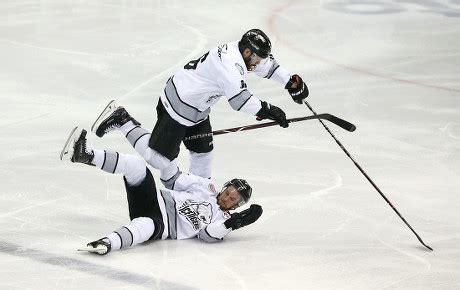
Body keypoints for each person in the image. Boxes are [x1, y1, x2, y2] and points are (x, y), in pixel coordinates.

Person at [92, 28, 309, 181]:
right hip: (178, 106)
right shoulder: (230, 66)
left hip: (198, 109)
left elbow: (269, 67)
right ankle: (123, 120)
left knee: (203, 156)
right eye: (257, 58)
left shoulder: (242, 52)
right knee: (158, 160)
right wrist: (269, 110)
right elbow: (240, 101)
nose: (260, 63)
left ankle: (196, 197)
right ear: (247, 52)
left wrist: (290, 82)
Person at [60, 126, 263, 255]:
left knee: (145, 228)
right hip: (154, 199)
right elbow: (173, 179)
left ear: (237, 205)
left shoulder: (223, 220)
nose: (227, 197)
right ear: (225, 187)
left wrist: (235, 222)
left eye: (233, 199)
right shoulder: (204, 187)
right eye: (228, 191)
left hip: (162, 225)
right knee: (136, 166)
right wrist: (169, 154)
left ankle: (106, 243)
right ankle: (84, 155)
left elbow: (208, 235)